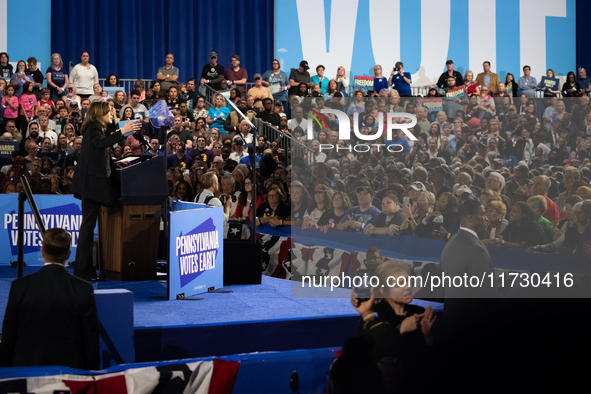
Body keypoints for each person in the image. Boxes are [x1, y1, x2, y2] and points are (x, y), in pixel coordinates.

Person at [0, 228, 99, 369]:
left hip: (26, 374)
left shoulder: (19, 287)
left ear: (42, 251)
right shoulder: (83, 289)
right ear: (68, 254)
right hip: (70, 375)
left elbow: (8, 337)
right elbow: (91, 340)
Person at [72, 101, 141, 280]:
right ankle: (83, 271)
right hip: (92, 186)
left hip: (93, 186)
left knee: (88, 226)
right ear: (99, 114)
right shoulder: (94, 129)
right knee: (87, 227)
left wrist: (113, 163)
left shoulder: (96, 129)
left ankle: (84, 270)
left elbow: (99, 155)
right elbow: (101, 144)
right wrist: (122, 132)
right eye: (108, 111)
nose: (112, 113)